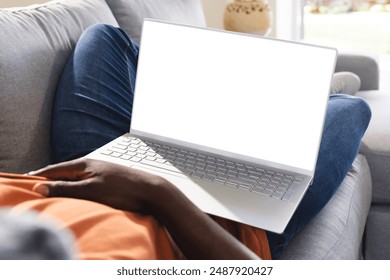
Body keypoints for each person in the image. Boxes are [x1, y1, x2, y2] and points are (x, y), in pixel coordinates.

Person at [0, 23, 371, 260]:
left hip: (91, 173)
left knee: (104, 37)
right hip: (212, 222)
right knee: (351, 109)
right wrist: (156, 189)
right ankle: (322, 91)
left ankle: (196, 115)